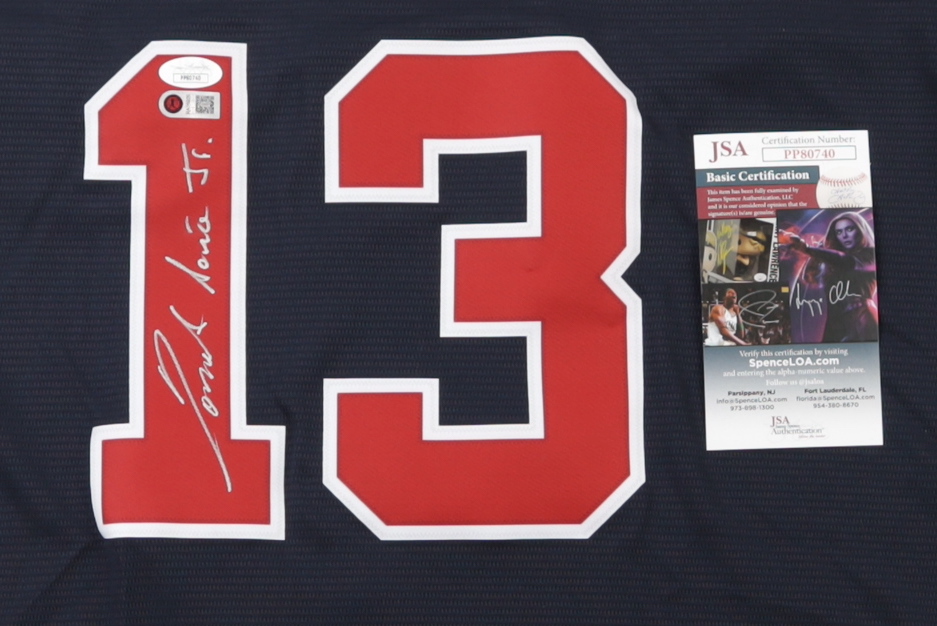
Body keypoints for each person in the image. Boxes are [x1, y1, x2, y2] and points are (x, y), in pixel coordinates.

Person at [784, 211, 878, 342]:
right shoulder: (833, 261)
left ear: (861, 230)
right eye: (839, 232)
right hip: (835, 323)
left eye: (849, 229)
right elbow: (809, 277)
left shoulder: (871, 255)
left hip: (861, 319)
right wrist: (811, 251)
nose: (844, 236)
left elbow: (846, 261)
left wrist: (808, 249)